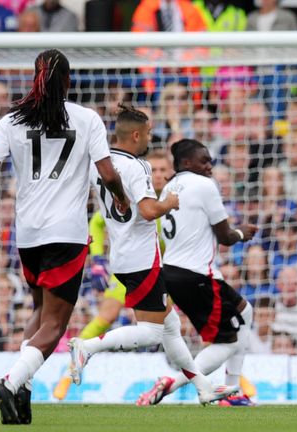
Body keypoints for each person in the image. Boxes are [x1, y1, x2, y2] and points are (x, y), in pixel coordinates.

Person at [0, 49, 129, 425]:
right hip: (67, 233)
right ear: (67, 80)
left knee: (40, 313)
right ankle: (10, 384)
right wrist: (123, 200)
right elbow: (108, 174)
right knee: (56, 324)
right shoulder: (86, 118)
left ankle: (22, 393)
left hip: (27, 234)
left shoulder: (11, 120)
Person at [68, 105, 236, 405]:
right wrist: (169, 202)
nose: (149, 138)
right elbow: (147, 211)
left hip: (122, 255)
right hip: (143, 259)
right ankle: (87, 347)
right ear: (135, 134)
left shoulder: (102, 165)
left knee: (170, 328)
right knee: (152, 333)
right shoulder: (136, 166)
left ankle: (203, 387)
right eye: (147, 133)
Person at [135, 139, 259, 407]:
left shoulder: (169, 187)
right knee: (229, 341)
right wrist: (242, 233)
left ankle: (234, 389)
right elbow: (225, 236)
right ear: (187, 162)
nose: (210, 167)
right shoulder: (204, 185)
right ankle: (174, 382)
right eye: (205, 161)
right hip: (197, 276)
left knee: (245, 312)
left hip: (177, 272)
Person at [52, 150, 174, 400]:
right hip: (132, 268)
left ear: (171, 173)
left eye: (164, 170)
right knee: (110, 316)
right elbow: (97, 222)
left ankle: (209, 379)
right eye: (156, 170)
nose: (159, 175)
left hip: (162, 272)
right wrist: (96, 258)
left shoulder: (174, 202)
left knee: (175, 325)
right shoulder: (140, 196)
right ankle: (67, 371)